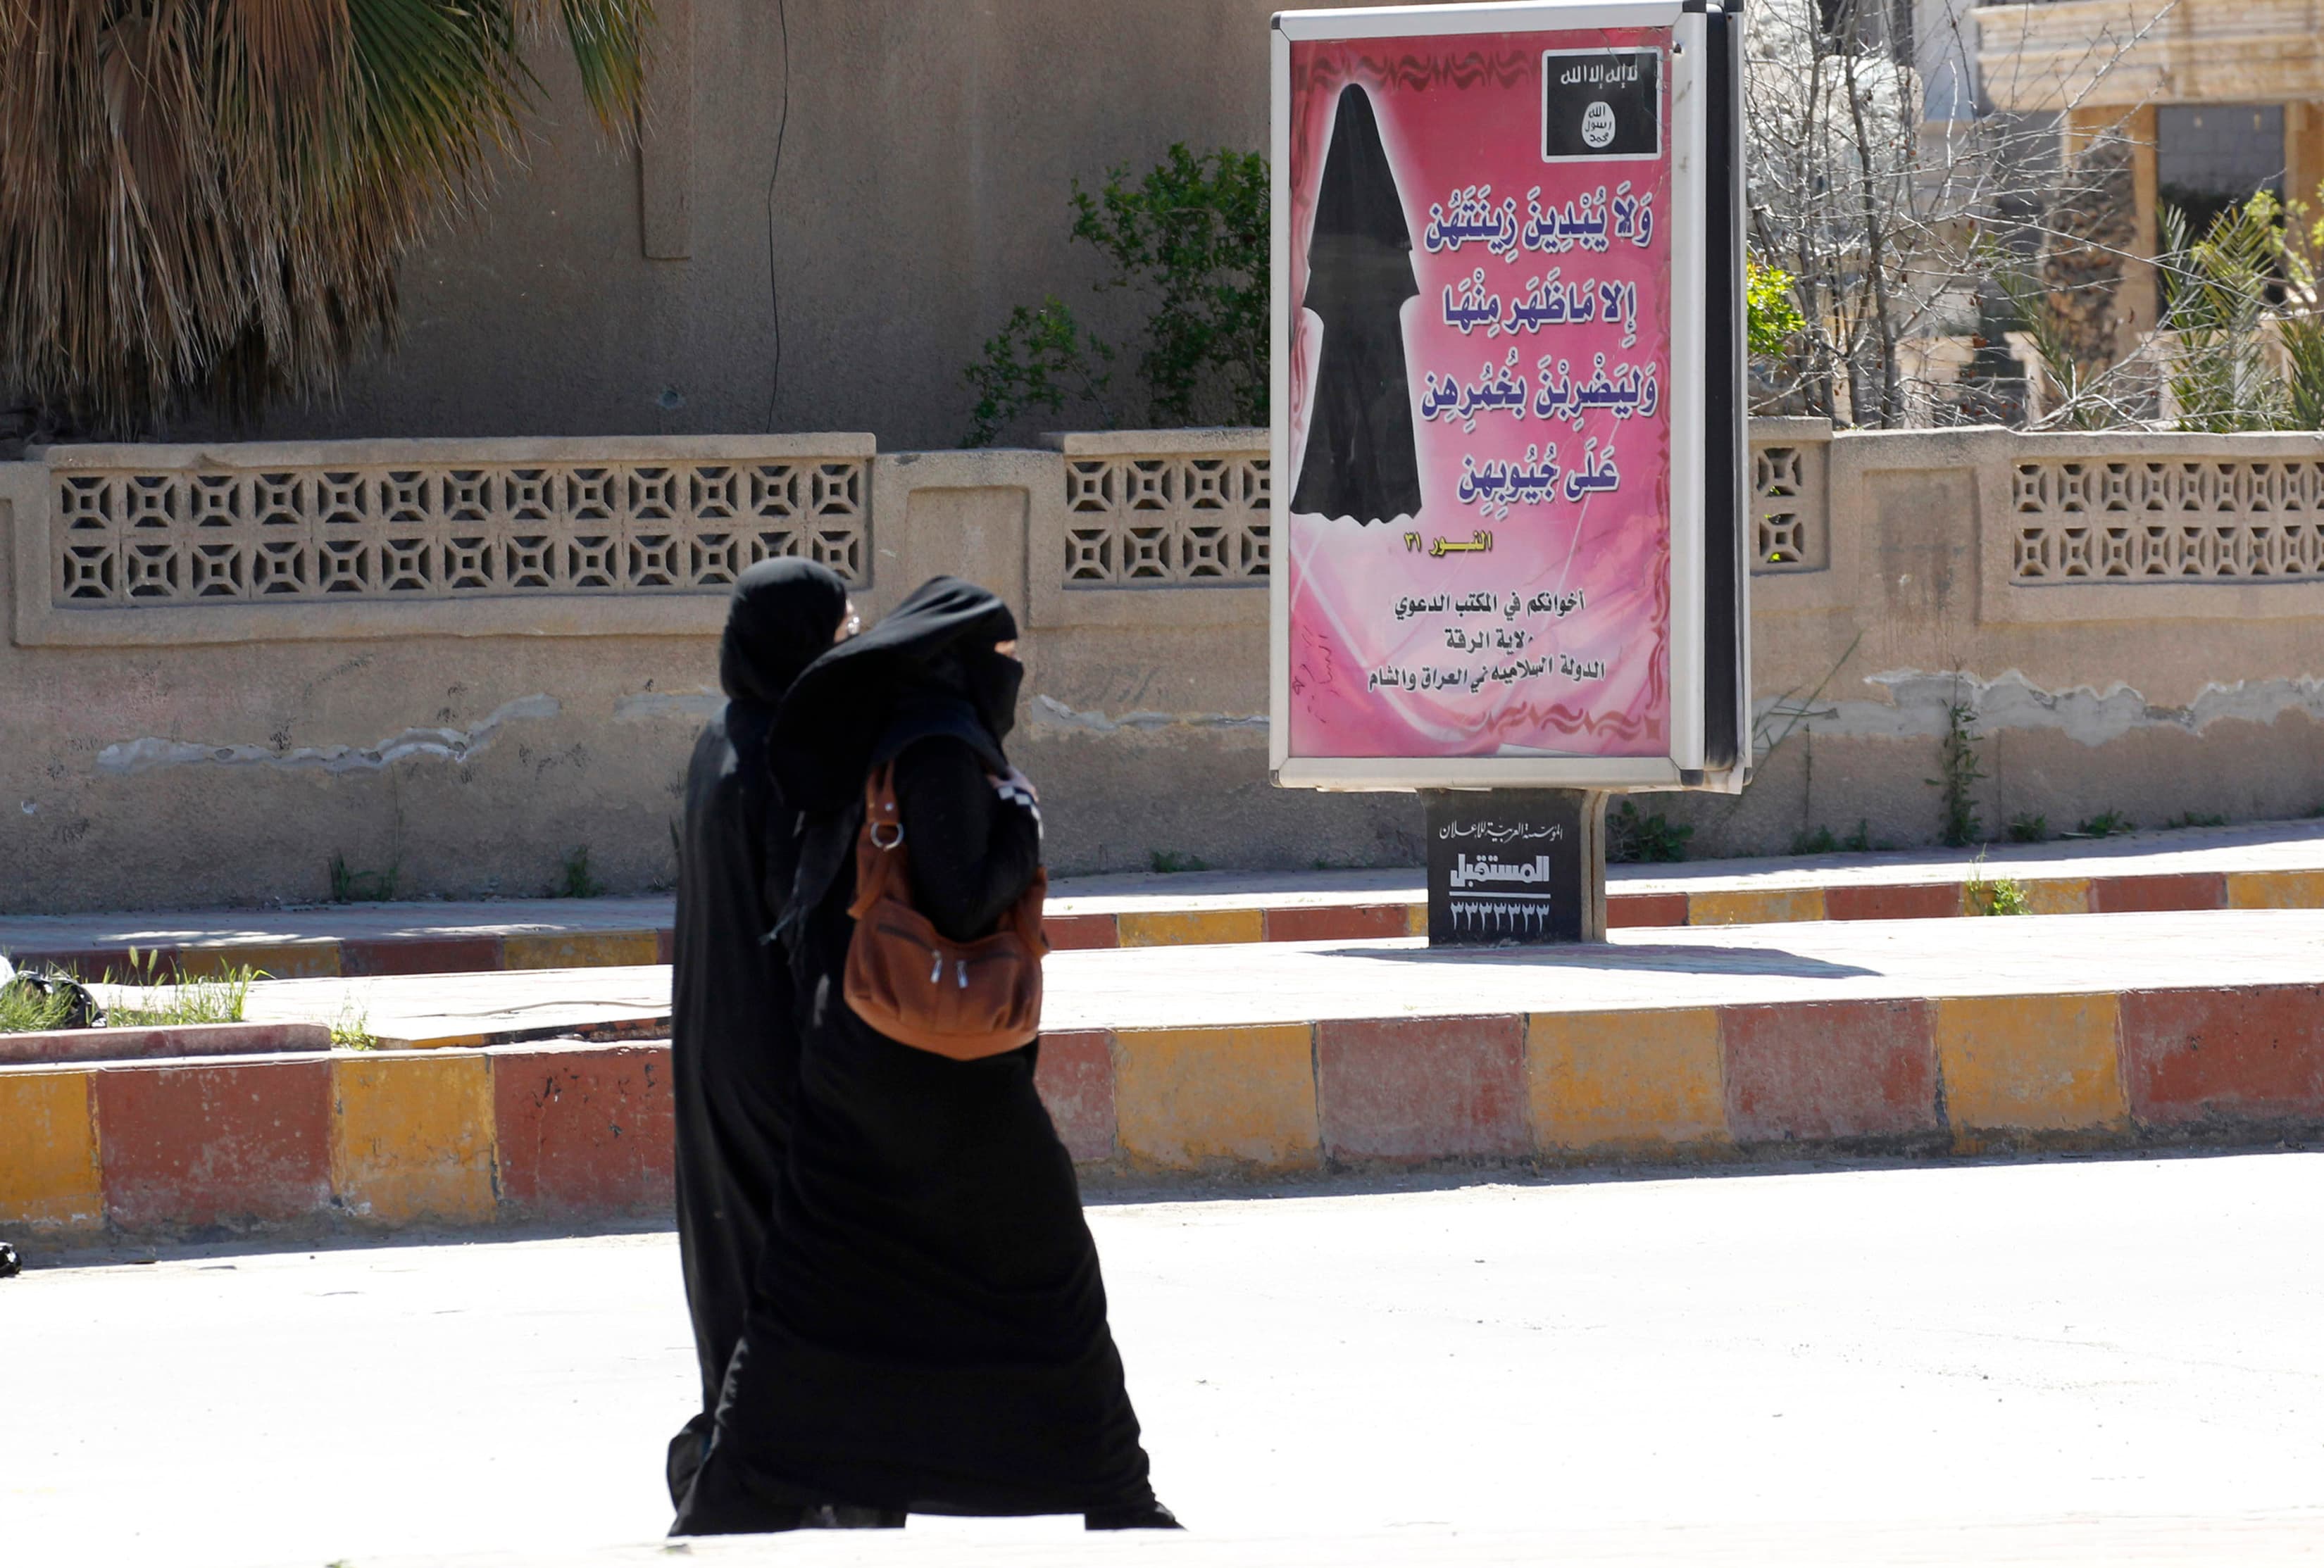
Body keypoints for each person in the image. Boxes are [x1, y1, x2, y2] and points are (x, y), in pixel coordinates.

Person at [671, 577, 1178, 1535]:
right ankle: (1110, 1496)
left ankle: (740, 1486)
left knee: (794, 1293)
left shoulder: (761, 746)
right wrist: (1021, 824)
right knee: (1020, 1279)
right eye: (1003, 655)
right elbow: (937, 896)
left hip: (769, 1062)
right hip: (842, 1069)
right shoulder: (906, 748)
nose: (1014, 673)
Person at [666, 558, 854, 1507]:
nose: (851, 641)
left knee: (733, 1260)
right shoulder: (787, 756)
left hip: (708, 1044)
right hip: (775, 1055)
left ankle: (732, 1456)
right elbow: (802, 918)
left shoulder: (718, 741)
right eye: (839, 628)